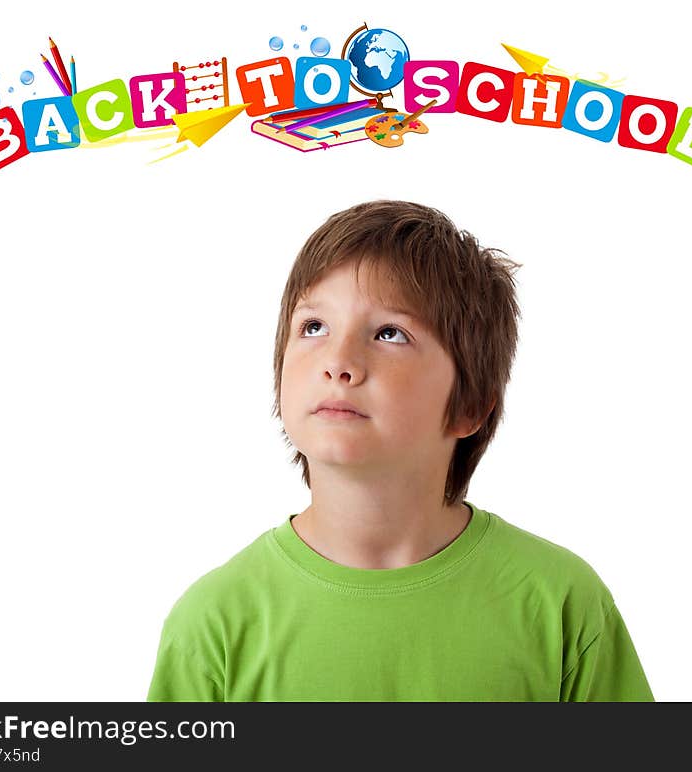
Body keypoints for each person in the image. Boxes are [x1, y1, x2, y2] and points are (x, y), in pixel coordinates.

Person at [147, 200, 654, 701]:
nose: (338, 362)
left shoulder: (560, 603)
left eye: (390, 333)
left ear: (470, 406)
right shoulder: (212, 625)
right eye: (313, 327)